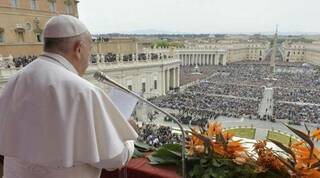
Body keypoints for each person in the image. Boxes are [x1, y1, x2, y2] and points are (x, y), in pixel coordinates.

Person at [0, 15, 138, 178]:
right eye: (90, 50)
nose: (89, 57)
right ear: (79, 49)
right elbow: (114, 159)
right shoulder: (83, 92)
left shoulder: (15, 80)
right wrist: (128, 139)